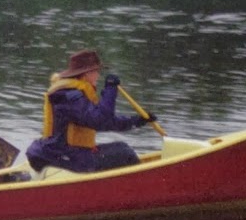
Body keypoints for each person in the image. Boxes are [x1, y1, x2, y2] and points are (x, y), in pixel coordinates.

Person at [25, 50, 156, 173]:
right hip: (60, 154)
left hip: (65, 153)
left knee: (122, 149)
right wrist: (110, 90)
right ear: (86, 74)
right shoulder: (68, 96)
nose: (98, 76)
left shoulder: (75, 93)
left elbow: (106, 122)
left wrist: (138, 121)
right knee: (124, 153)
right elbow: (99, 120)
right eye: (96, 71)